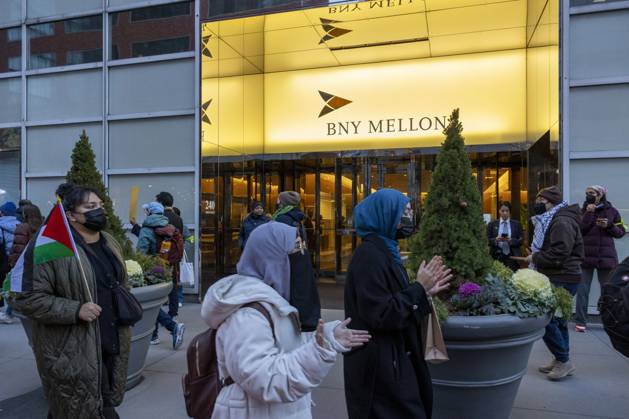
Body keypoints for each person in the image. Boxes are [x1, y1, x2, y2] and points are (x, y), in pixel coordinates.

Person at [201, 221, 371, 418]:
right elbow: (266, 381)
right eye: (296, 248)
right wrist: (319, 353)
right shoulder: (247, 316)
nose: (302, 256)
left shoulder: (272, 301)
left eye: (302, 247)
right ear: (272, 257)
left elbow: (285, 347)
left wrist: (327, 337)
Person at [12, 186, 131, 419]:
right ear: (70, 215)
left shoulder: (109, 242)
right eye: (90, 207)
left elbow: (121, 284)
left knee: (89, 407)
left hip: (110, 343)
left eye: (100, 206)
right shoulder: (51, 246)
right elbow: (26, 298)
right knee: (77, 408)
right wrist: (75, 310)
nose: (99, 211)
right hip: (73, 351)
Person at [344, 189, 452, 419]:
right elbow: (381, 314)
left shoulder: (385, 251)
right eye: (404, 211)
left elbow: (396, 304)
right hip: (381, 370)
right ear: (385, 214)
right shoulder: (369, 257)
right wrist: (418, 289)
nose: (409, 216)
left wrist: (424, 294)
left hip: (394, 362)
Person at [526, 186, 584, 381]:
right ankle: (561, 359)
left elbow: (560, 253)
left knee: (546, 319)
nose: (537, 204)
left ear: (549, 201)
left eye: (539, 200)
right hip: (562, 275)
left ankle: (563, 360)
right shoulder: (557, 219)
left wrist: (535, 257)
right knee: (557, 320)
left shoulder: (561, 221)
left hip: (562, 276)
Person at [575, 185, 626, 332]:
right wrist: (589, 213)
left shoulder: (612, 211)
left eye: (592, 193)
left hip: (606, 257)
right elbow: (580, 230)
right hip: (586, 256)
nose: (588, 195)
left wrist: (609, 225)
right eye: (587, 193)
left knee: (608, 291)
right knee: (582, 290)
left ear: (600, 195)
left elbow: (620, 232)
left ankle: (608, 322)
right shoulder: (582, 210)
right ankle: (580, 322)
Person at [136, 201, 185, 349]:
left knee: (150, 303)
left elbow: (141, 251)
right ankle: (154, 335)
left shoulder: (146, 228)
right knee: (154, 302)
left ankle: (172, 327)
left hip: (151, 267)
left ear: (150, 213)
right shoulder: (169, 226)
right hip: (166, 267)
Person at [155, 191, 184, 317]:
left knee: (158, 284)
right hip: (174, 257)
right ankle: (173, 312)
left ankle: (158, 314)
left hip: (161, 256)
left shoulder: (159, 217)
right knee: (173, 285)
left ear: (160, 203)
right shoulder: (178, 218)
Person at [487, 201, 524, 271]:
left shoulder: (517, 224)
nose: (505, 213)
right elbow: (487, 240)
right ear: (499, 211)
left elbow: (521, 241)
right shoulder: (492, 224)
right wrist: (496, 240)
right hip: (496, 255)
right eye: (502, 211)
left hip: (512, 256)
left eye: (507, 211)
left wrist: (511, 240)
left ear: (510, 212)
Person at [0, 201, 20, 324]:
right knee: (14, 286)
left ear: (3, 212)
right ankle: (9, 312)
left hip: (3, 260)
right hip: (17, 259)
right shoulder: (20, 224)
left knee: (2, 285)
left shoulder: (0, 225)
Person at [173, 206, 192, 308]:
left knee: (178, 277)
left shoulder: (182, 227)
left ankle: (179, 298)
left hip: (179, 256)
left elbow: (190, 239)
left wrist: (184, 249)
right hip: (170, 255)